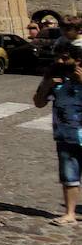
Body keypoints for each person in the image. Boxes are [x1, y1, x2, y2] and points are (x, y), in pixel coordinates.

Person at [32, 45, 82, 225]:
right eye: (57, 57)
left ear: (77, 60)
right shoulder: (54, 77)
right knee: (69, 175)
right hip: (65, 134)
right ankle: (70, 214)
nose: (60, 61)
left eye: (65, 58)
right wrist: (47, 85)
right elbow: (38, 103)